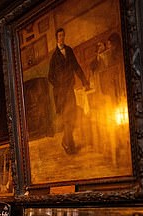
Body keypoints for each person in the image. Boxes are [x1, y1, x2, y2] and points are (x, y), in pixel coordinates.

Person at [48, 27, 90, 155]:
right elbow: (50, 77)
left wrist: (84, 81)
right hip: (61, 93)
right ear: (56, 38)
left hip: (70, 90)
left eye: (63, 36)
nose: (61, 38)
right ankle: (69, 145)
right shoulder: (54, 57)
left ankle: (65, 141)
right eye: (59, 36)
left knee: (72, 117)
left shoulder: (69, 51)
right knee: (67, 118)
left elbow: (76, 66)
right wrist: (59, 85)